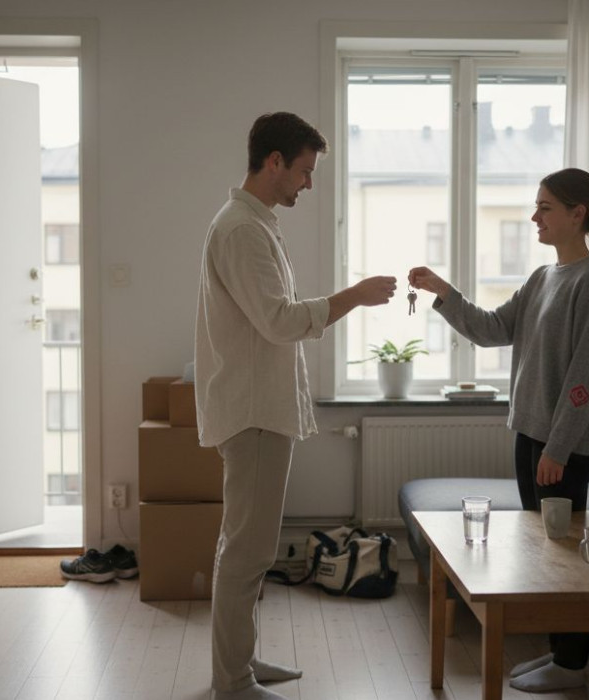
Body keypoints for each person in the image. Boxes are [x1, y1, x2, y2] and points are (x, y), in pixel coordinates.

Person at [195, 112, 397, 700]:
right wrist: (354, 297)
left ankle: (243, 663)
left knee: (247, 547)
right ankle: (233, 681)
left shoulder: (254, 223)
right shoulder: (240, 230)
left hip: (260, 408)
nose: (308, 184)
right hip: (253, 413)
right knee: (247, 551)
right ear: (275, 161)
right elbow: (280, 321)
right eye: (305, 171)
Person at [408, 167, 589, 693]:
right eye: (536, 206)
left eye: (545, 207)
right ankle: (561, 655)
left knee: (564, 556)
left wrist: (560, 447)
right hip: (530, 434)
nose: (534, 217)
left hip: (559, 446)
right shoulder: (542, 279)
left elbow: (585, 379)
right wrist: (443, 292)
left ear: (578, 215)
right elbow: (490, 330)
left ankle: (572, 666)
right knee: (545, 554)